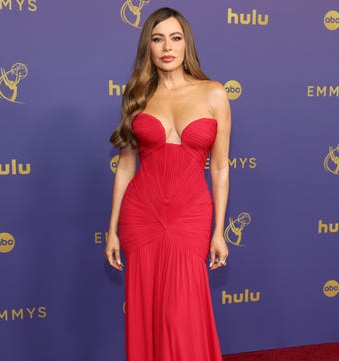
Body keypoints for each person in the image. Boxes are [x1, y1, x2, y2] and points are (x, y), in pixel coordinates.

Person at [105, 7, 231, 361]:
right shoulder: (137, 94)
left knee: (181, 315)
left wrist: (219, 231)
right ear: (148, 46)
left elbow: (220, 167)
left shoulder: (214, 93)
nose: (167, 47)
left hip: (190, 215)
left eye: (175, 38)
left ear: (186, 44)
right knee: (147, 311)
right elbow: (126, 163)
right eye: (158, 39)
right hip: (141, 216)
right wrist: (112, 229)